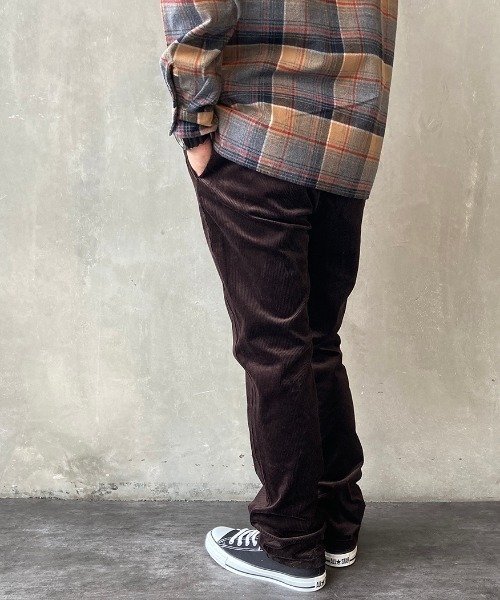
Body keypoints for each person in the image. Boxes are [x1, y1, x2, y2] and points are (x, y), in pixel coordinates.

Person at [159, 0, 398, 592]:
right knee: (315, 339)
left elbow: (196, 8)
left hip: (257, 132)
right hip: (348, 140)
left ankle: (290, 541)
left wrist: (193, 126)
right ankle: (336, 523)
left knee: (274, 347)